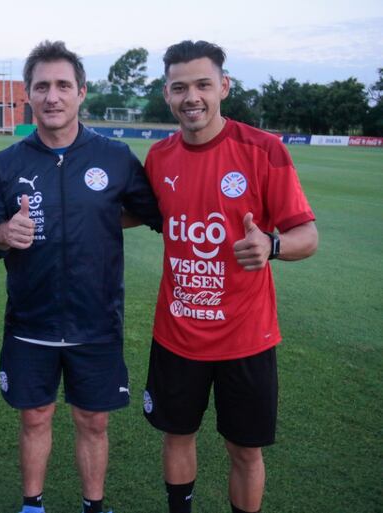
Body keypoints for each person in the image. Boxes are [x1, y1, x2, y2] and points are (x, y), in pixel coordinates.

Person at [0, 40, 162, 513]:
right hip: (30, 321)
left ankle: (92, 506)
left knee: (93, 421)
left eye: (62, 86)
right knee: (35, 417)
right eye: (42, 87)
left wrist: (97, 218)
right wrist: (2, 233)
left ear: (81, 92)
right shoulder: (6, 163)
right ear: (28, 95)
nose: (52, 96)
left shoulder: (115, 157)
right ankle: (32, 505)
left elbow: (155, 213)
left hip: (96, 321)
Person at [141, 40, 319, 513]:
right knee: (178, 437)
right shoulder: (158, 159)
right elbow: (128, 213)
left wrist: (272, 245)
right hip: (177, 333)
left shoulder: (264, 150)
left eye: (202, 84)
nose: (191, 97)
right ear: (167, 94)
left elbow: (307, 234)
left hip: (247, 337)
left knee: (245, 449)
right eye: (180, 87)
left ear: (224, 86)